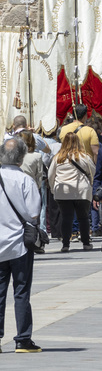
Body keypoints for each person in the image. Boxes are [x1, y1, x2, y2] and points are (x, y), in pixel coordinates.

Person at [0, 138, 42, 353]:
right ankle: (23, 339)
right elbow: (34, 214)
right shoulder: (25, 181)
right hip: (19, 244)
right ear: (21, 156)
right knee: (21, 291)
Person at [47, 132, 96, 253]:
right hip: (81, 190)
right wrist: (89, 183)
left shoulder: (57, 158)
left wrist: (54, 189)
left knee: (66, 218)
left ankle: (65, 244)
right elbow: (92, 171)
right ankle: (86, 243)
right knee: (83, 217)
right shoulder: (84, 157)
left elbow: (50, 175)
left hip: (63, 191)